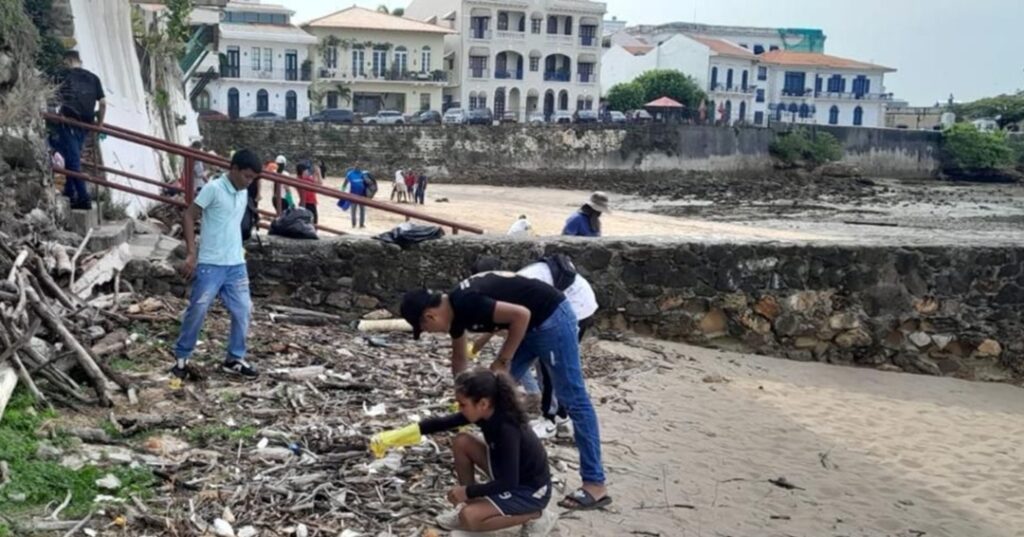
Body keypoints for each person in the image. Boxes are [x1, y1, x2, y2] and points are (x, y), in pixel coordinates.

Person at [401, 273, 611, 511]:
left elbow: (521, 314)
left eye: (426, 328)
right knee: (493, 393)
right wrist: (463, 393)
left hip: (551, 319)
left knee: (574, 400)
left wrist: (503, 360)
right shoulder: (455, 314)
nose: (430, 332)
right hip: (527, 328)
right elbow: (459, 358)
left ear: (430, 316)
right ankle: (510, 473)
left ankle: (595, 484)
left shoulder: (466, 301)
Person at [374, 369, 556, 535]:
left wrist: (468, 491)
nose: (459, 409)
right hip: (506, 472)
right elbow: (441, 423)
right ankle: (471, 506)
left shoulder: (508, 429)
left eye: (462, 405)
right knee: (462, 441)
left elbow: (509, 482)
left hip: (530, 490)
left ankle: (536, 515)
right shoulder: (486, 413)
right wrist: (395, 436)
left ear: (483, 403)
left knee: (470, 519)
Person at [469, 255, 597, 440]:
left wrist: (497, 354)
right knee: (522, 363)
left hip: (576, 307)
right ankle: (557, 417)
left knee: (549, 364)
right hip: (564, 307)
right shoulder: (508, 282)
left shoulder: (515, 286)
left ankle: (552, 419)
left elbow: (514, 324)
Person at [172, 149, 263, 380]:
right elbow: (189, 215)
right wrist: (192, 253)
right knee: (198, 309)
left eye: (253, 178)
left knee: (243, 310)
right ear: (233, 169)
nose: (249, 182)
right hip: (211, 263)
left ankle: (234, 358)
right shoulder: (213, 188)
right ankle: (182, 358)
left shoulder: (243, 192)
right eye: (246, 176)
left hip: (236, 264)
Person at [52, 49, 106, 210]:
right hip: (85, 124)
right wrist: (100, 124)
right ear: (79, 61)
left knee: (73, 160)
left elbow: (52, 97)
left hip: (68, 122)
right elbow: (103, 103)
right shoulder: (94, 78)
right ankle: (69, 191)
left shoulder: (64, 75)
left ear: (68, 61)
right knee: (71, 155)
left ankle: (83, 197)